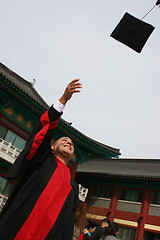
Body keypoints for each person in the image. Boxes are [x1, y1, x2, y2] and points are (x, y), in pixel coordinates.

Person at [0, 79, 82, 240]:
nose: (68, 142)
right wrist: (63, 99)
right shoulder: (42, 161)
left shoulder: (73, 187)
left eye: (71, 143)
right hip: (16, 229)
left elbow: (66, 224)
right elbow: (43, 130)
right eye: (64, 140)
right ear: (52, 146)